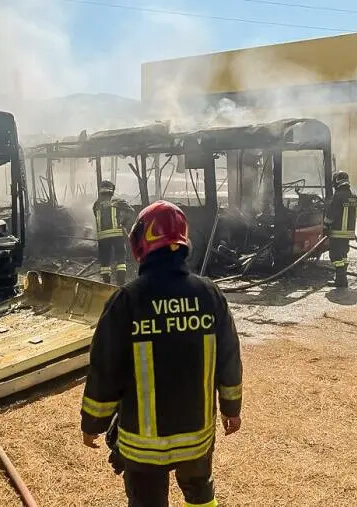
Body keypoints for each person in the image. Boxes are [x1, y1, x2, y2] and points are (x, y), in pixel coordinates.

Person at [80, 200, 243, 507]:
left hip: (143, 448)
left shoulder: (127, 301)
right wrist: (231, 408)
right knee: (201, 496)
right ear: (183, 242)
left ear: (141, 242)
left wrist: (93, 423)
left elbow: (105, 370)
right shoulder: (210, 295)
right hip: (196, 438)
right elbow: (229, 359)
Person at [93, 180, 134, 285]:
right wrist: (123, 223)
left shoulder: (96, 205)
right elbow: (131, 212)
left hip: (102, 237)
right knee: (120, 259)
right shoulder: (119, 201)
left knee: (105, 262)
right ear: (112, 191)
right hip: (117, 234)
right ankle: (120, 284)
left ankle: (106, 284)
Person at [323, 170, 357, 288]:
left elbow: (331, 214)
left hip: (337, 232)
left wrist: (325, 226)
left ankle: (340, 281)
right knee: (343, 255)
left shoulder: (338, 196)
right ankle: (342, 279)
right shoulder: (354, 195)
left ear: (337, 181)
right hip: (348, 233)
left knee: (335, 256)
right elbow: (356, 214)